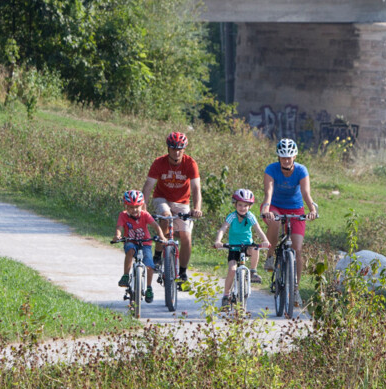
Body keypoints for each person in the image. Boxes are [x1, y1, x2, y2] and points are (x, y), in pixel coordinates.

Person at [260, 138, 318, 306]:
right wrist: (266, 209)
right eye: (283, 157)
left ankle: (295, 290)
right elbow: (268, 192)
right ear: (278, 157)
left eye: (289, 157)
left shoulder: (301, 170)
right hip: (275, 206)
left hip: (296, 208)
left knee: (297, 249)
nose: (286, 160)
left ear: (295, 156)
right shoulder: (271, 169)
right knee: (275, 222)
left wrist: (312, 210)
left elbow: (306, 193)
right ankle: (270, 256)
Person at [142, 131, 203, 288]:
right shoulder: (159, 163)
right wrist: (144, 205)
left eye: (180, 149)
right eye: (173, 149)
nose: (176, 152)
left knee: (186, 236)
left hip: (182, 202)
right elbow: (149, 185)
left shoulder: (190, 163)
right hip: (162, 198)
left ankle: (182, 272)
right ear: (168, 149)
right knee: (165, 215)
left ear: (184, 149)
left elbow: (196, 189)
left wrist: (197, 208)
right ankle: (157, 256)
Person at [212, 188, 271, 307]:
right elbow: (223, 228)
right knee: (232, 270)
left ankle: (253, 271)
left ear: (250, 206)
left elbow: (258, 230)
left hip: (247, 246)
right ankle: (226, 295)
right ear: (235, 204)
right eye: (240, 205)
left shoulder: (250, 216)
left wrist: (265, 240)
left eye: (245, 205)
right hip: (234, 248)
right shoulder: (232, 216)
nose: (242, 208)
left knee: (255, 248)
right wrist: (218, 240)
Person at [113, 189, 166, 304]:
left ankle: (149, 288)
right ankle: (126, 276)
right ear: (125, 206)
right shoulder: (123, 215)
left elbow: (156, 226)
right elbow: (119, 227)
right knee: (130, 251)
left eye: (137, 206)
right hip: (130, 241)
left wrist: (161, 236)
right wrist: (118, 235)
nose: (134, 210)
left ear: (142, 205)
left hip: (145, 243)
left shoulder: (145, 215)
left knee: (149, 266)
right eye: (130, 207)